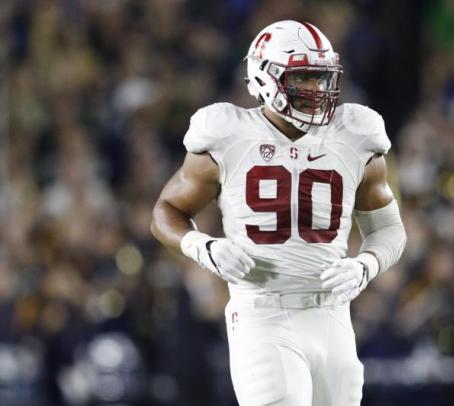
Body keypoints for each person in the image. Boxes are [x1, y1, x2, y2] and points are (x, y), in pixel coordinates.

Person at [151, 20, 406, 406]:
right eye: (303, 77)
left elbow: (390, 229)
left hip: (333, 315)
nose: (316, 89)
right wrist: (202, 247)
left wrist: (366, 265)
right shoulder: (227, 133)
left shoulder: (356, 134)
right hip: (262, 313)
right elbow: (166, 211)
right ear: (265, 76)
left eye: (322, 78)